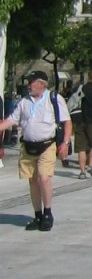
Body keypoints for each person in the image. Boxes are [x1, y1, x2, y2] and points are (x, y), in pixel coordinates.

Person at [0, 71, 72, 231]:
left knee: (44, 178)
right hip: (28, 146)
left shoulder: (54, 99)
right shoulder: (24, 102)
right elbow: (12, 119)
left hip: (47, 144)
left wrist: (65, 143)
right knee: (32, 181)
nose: (28, 85)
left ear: (41, 84)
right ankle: (37, 215)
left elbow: (67, 122)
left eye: (31, 82)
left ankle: (48, 213)